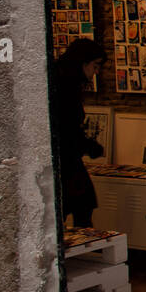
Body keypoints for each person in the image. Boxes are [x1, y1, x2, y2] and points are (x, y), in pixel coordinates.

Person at [51, 38, 107, 227]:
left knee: (79, 204)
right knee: (80, 203)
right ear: (83, 62)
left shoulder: (63, 81)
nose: (96, 71)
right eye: (95, 65)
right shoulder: (64, 86)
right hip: (64, 159)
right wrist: (88, 146)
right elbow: (66, 127)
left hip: (65, 157)